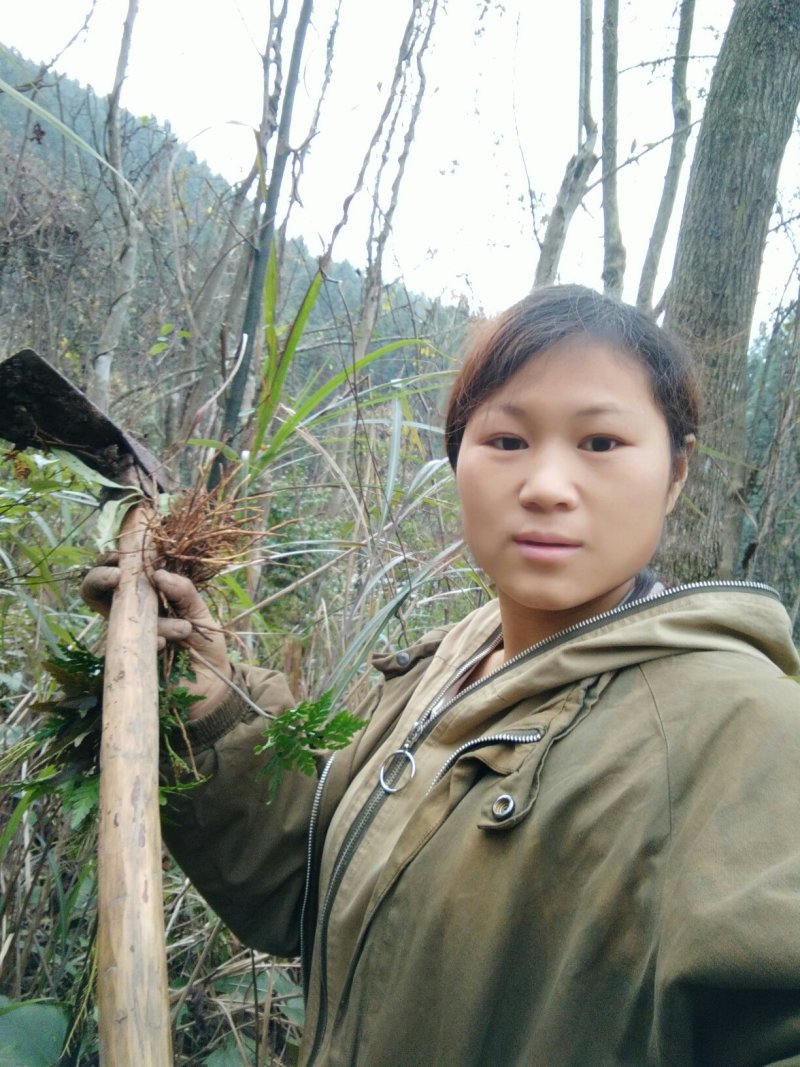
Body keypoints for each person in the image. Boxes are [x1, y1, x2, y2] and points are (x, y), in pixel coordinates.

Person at [82, 284, 800, 1067]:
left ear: (676, 472)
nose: (547, 486)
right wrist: (211, 699)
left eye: (600, 443)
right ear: (458, 457)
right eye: (506, 440)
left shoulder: (744, 727)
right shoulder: (451, 661)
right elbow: (309, 881)